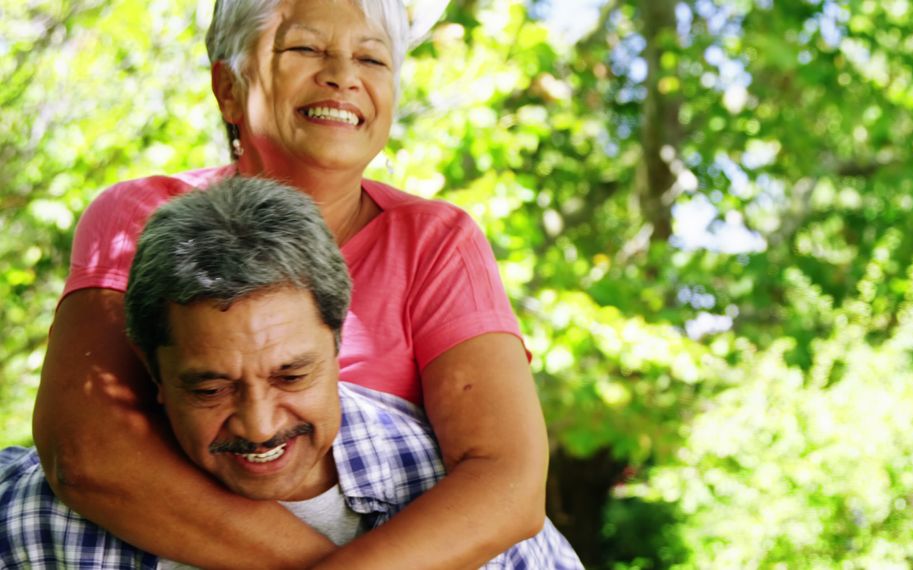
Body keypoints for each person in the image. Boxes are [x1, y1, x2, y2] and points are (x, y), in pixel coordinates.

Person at [32, 0, 551, 567]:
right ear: (227, 87)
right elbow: (85, 454)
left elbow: (507, 483)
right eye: (305, 49)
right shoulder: (141, 216)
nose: (343, 76)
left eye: (372, 59)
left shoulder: (436, 240)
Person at [3, 178, 582, 569]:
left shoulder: (456, 504)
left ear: (337, 345)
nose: (258, 426)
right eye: (210, 387)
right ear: (153, 373)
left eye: (291, 376)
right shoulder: (40, 520)